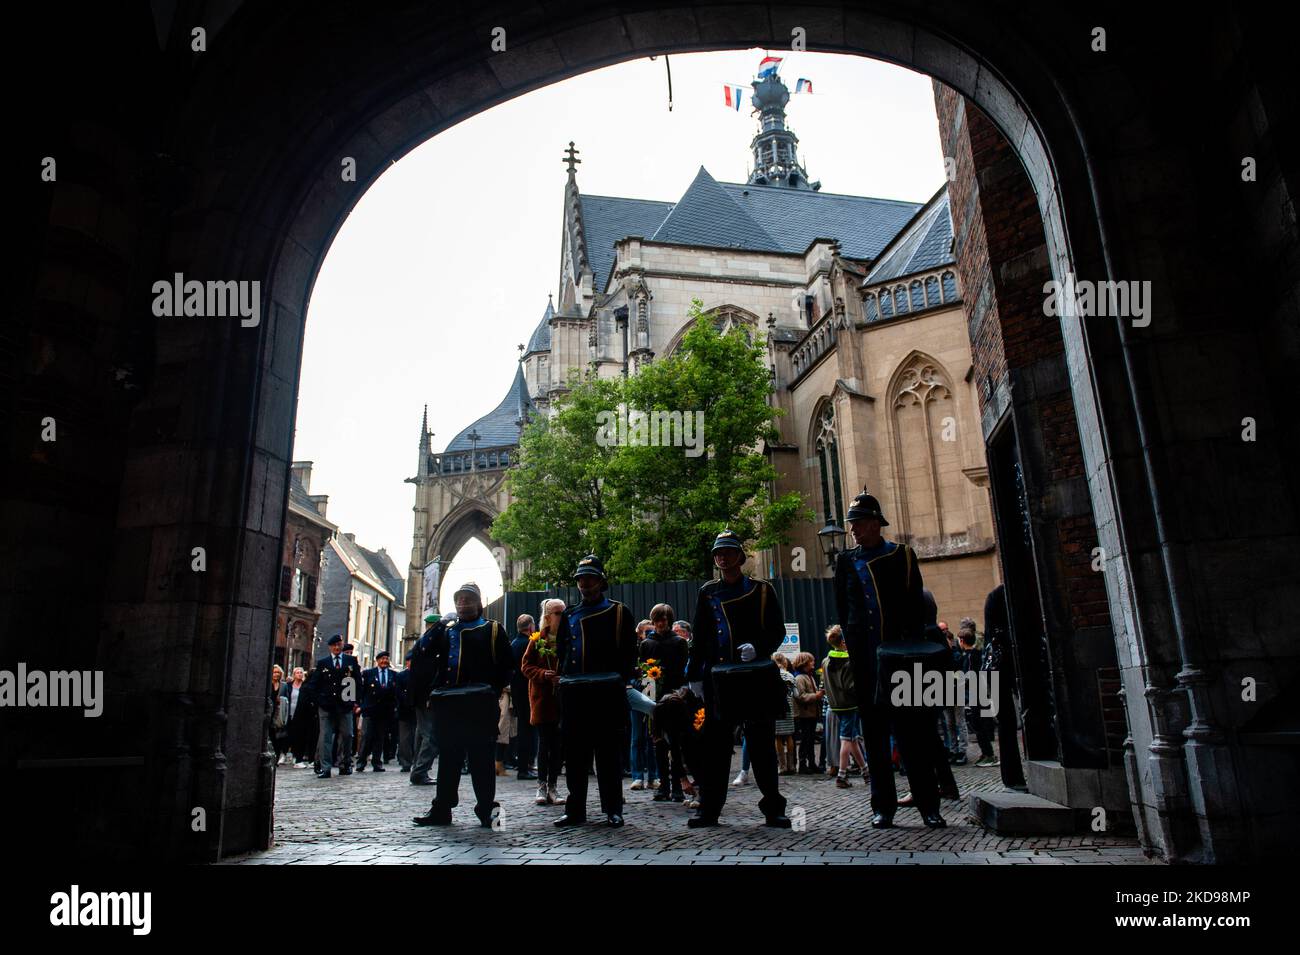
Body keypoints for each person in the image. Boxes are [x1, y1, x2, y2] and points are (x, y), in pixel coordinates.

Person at [833, 491, 945, 828]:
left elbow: (916, 604)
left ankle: (928, 804)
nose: (852, 530)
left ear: (874, 524)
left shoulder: (902, 555)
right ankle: (883, 806)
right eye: (851, 524)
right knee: (876, 737)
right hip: (867, 661)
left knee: (913, 736)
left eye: (857, 523)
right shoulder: (846, 561)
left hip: (902, 659)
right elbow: (844, 608)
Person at [685, 529, 791, 828]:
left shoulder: (762, 590)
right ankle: (710, 809)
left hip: (755, 677)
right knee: (715, 749)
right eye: (718, 553)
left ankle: (773, 807)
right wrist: (694, 673)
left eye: (728, 552)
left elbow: (776, 629)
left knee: (761, 747)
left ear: (740, 557)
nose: (722, 557)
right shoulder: (708, 592)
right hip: (719, 679)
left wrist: (758, 647)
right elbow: (700, 635)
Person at [412, 582, 513, 827]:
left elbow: (507, 664)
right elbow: (421, 651)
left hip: (480, 705)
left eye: (468, 599)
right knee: (449, 759)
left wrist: (492, 690)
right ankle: (442, 809)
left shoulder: (493, 629)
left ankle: (486, 809)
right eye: (459, 599)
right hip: (450, 705)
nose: (463, 603)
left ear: (479, 603)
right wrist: (437, 627)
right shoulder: (447, 630)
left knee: (482, 760)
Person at [553, 555, 639, 828]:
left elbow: (628, 652)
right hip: (577, 694)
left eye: (589, 579)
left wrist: (617, 681)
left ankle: (613, 809)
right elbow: (563, 650)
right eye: (580, 579)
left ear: (601, 581)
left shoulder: (618, 611)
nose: (584, 584)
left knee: (608, 756)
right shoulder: (569, 614)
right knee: (576, 756)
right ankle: (575, 809)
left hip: (606, 695)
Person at [641, 602, 688, 802]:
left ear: (668, 620)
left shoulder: (679, 642)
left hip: (675, 697)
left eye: (663, 619)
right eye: (657, 620)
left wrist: (680, 694)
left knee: (676, 744)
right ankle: (663, 786)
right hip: (655, 698)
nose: (660, 623)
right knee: (658, 743)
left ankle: (677, 786)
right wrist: (648, 699)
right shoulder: (646, 644)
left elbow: (683, 673)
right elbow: (644, 674)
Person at [520, 598, 566, 805]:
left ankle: (554, 786)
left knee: (558, 746)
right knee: (545, 742)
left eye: (563, 612)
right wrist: (543, 674)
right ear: (547, 617)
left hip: (563, 699)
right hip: (543, 699)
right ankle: (541, 785)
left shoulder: (568, 639)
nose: (562, 616)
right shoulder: (537, 640)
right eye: (557, 613)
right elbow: (526, 667)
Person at [983, 584, 1027, 788]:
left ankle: (1012, 775)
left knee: (1006, 722)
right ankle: (1014, 774)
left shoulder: (995, 596)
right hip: (1009, 664)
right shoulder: (1004, 595)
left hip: (997, 668)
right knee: (1014, 718)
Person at [822, 625, 869, 788]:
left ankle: (866, 771)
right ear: (843, 642)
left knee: (853, 738)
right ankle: (841, 775)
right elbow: (851, 686)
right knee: (847, 739)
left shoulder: (826, 661)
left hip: (836, 704)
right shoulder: (848, 662)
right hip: (849, 705)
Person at [310, 635, 362, 779]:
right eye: (334, 645)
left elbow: (357, 682)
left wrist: (356, 701)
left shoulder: (351, 661)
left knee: (347, 735)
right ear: (330, 647)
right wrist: (319, 701)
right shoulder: (323, 663)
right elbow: (313, 685)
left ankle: (345, 763)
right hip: (327, 705)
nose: (337, 647)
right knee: (325, 737)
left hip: (345, 705)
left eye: (339, 644)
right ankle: (325, 767)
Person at [407, 612, 442, 786]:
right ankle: (420, 771)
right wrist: (429, 695)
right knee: (431, 736)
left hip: (420, 696)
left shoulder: (422, 644)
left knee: (421, 734)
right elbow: (426, 674)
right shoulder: (428, 645)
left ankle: (417, 769)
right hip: (425, 697)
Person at [356, 649, 398, 772]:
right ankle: (361, 762)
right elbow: (362, 691)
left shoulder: (393, 675)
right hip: (370, 710)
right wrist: (361, 706)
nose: (384, 661)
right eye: (382, 659)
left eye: (386, 659)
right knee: (366, 737)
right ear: (377, 661)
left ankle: (377, 762)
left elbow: (394, 693)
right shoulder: (368, 673)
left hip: (384, 711)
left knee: (380, 738)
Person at [509, 614, 538, 781]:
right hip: (528, 690)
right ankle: (524, 768)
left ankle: (525, 766)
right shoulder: (529, 644)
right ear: (531, 628)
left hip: (517, 691)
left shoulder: (514, 644)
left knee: (523, 729)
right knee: (528, 730)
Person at [791, 653, 822, 773]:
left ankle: (812, 763)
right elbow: (800, 696)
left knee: (810, 739)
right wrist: (816, 695)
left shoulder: (809, 676)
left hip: (811, 713)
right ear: (804, 663)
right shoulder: (799, 678)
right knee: (805, 740)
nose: (813, 663)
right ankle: (803, 764)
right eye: (811, 661)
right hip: (804, 715)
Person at [284, 666, 315, 767]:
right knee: (297, 737)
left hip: (302, 716)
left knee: (304, 737)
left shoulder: (304, 686)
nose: (299, 674)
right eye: (297, 673)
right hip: (298, 715)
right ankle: (296, 758)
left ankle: (301, 758)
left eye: (301, 673)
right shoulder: (306, 687)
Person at [772, 653, 797, 774]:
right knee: (789, 736)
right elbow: (795, 694)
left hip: (776, 707)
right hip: (788, 708)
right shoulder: (790, 675)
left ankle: (782, 767)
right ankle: (791, 766)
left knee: (777, 737)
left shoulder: (771, 675)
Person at [394, 650, 417, 773]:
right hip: (404, 710)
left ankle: (417, 761)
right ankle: (406, 762)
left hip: (417, 711)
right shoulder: (401, 676)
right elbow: (398, 692)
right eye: (410, 661)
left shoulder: (420, 675)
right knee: (404, 739)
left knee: (417, 737)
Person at [270, 665, 290, 765]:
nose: (276, 674)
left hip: (279, 713)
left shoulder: (284, 685)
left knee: (278, 738)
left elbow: (287, 700)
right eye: (274, 672)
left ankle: (276, 758)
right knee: (270, 736)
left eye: (278, 672)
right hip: (269, 712)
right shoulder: (268, 683)